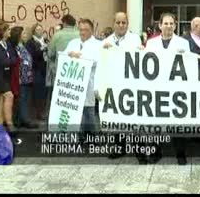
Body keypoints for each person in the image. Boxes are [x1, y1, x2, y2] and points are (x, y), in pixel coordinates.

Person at [144, 13, 190, 164]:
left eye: (171, 24)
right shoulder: (151, 44)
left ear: (175, 26)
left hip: (176, 89)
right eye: (166, 23)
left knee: (178, 123)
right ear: (160, 25)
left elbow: (189, 66)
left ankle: (180, 154)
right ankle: (156, 152)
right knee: (156, 123)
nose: (169, 26)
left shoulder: (183, 43)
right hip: (156, 88)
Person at [100, 12, 142, 160]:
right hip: (114, 86)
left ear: (127, 24)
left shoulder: (135, 39)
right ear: (114, 23)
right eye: (118, 22)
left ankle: (139, 151)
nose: (121, 25)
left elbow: (139, 59)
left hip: (131, 85)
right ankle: (120, 148)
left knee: (134, 119)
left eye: (124, 22)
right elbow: (101, 66)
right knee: (117, 119)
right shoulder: (105, 41)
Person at [178, 17, 200, 165]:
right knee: (183, 121)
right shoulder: (182, 41)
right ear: (196, 26)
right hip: (186, 87)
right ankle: (181, 154)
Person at [64, 19, 102, 132]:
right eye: (80, 29)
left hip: (89, 83)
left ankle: (93, 137)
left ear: (92, 30)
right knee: (75, 112)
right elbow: (63, 56)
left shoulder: (98, 44)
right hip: (74, 84)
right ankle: (79, 135)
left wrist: (79, 57)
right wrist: (68, 55)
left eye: (86, 30)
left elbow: (97, 61)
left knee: (89, 111)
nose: (82, 32)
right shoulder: (73, 43)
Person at [46, 15, 80, 118]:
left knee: (60, 96)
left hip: (61, 70)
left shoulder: (57, 35)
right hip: (76, 70)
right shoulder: (79, 34)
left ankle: (59, 118)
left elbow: (50, 53)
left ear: (64, 23)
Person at [9, 26, 37, 128]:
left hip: (27, 76)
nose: (25, 36)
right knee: (21, 98)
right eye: (23, 34)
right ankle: (24, 120)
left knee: (24, 98)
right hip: (20, 77)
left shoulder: (23, 45)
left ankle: (21, 119)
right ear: (18, 35)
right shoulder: (14, 47)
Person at [26, 23, 48, 121]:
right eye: (38, 29)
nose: (40, 31)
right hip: (36, 69)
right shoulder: (30, 42)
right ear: (34, 31)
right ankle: (38, 113)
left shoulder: (46, 40)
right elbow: (31, 55)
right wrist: (42, 49)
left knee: (45, 92)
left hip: (45, 69)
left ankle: (43, 111)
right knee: (37, 92)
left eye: (41, 29)